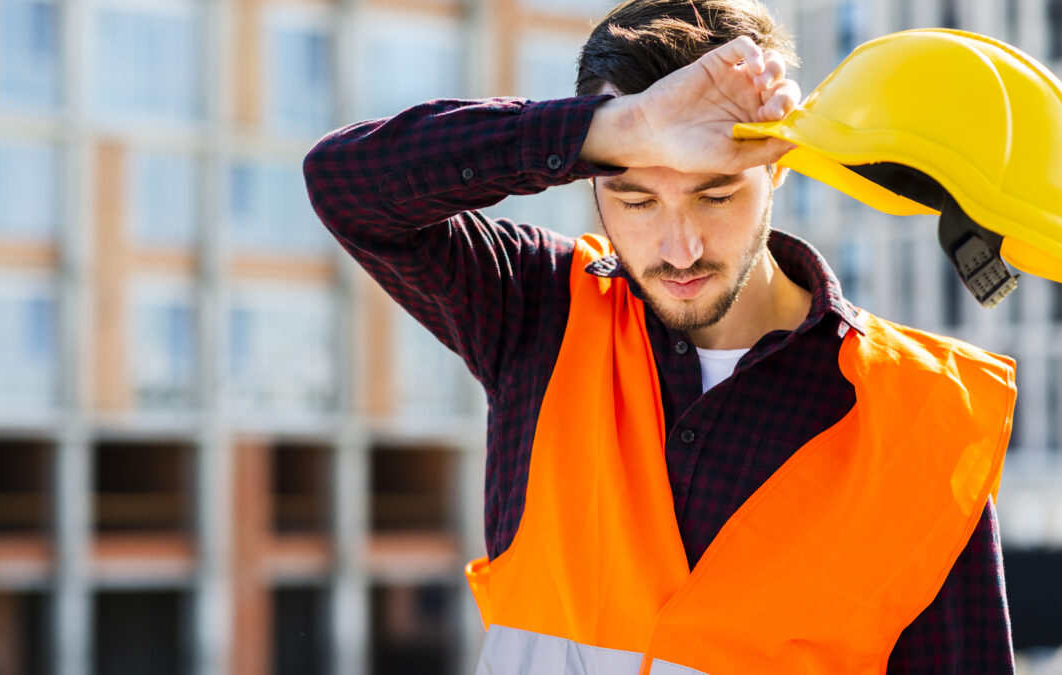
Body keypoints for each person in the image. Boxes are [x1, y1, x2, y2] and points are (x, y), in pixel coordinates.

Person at [303, 0, 1016, 671]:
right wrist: (616, 129)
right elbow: (346, 184)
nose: (679, 248)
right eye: (635, 195)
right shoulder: (537, 309)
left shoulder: (921, 420)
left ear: (778, 166)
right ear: (591, 180)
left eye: (716, 193)